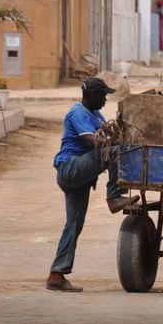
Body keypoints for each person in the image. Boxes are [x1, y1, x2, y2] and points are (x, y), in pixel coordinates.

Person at [46, 77, 136, 293]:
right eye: (103, 95)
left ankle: (56, 275)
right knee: (113, 152)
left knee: (74, 224)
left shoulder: (95, 114)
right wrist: (110, 142)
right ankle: (114, 196)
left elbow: (107, 132)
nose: (105, 99)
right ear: (91, 96)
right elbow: (91, 141)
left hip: (81, 175)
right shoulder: (77, 113)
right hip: (70, 169)